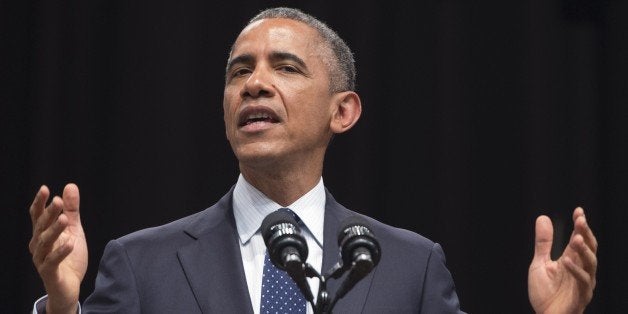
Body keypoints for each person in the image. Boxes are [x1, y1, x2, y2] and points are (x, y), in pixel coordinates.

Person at [28, 7, 598, 314]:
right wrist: (61, 305)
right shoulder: (141, 264)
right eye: (238, 72)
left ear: (343, 111)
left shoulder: (410, 268)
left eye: (286, 68)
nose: (255, 85)